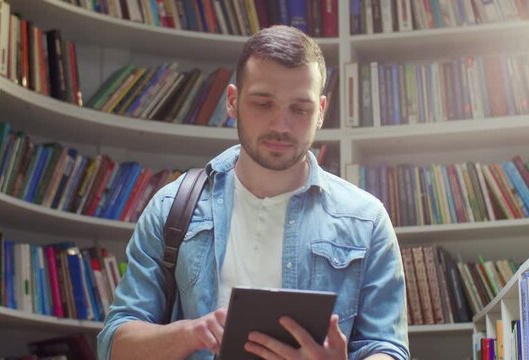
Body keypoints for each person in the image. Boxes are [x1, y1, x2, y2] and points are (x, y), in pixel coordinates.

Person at [97, 25, 409, 360]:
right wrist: (190, 333)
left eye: (300, 109)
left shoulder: (367, 219)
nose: (280, 126)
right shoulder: (171, 208)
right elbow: (114, 346)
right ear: (232, 102)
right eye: (263, 103)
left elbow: (387, 348)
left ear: (321, 112)